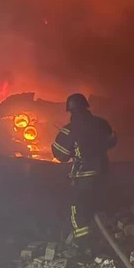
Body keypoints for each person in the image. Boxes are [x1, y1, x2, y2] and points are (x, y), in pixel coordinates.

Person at [51, 93, 117, 254]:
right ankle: (102, 241)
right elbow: (112, 141)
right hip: (103, 175)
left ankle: (85, 247)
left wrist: (67, 147)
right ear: (86, 107)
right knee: (96, 207)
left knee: (77, 210)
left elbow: (60, 156)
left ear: (71, 111)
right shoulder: (102, 124)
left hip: (84, 178)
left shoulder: (69, 130)